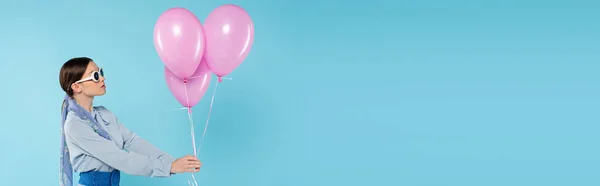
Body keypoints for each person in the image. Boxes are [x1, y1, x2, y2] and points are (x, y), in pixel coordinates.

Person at [59, 57, 201, 186]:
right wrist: (169, 167)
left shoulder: (104, 114)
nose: (102, 78)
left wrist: (170, 161)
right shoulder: (75, 125)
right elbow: (119, 158)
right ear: (76, 87)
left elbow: (132, 141)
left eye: (101, 72)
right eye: (95, 76)